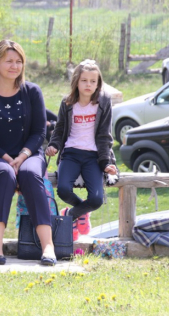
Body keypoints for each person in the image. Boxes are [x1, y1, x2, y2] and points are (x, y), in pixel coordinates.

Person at [0, 39, 56, 266]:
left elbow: (39, 131)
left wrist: (23, 155)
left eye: (19, 61)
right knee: (5, 173)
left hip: (29, 155)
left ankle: (48, 246)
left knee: (29, 173)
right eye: (9, 61)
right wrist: (7, 158)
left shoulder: (32, 92)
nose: (14, 66)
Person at [46, 59, 117, 241]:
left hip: (93, 156)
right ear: (76, 81)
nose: (88, 85)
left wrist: (106, 163)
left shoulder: (103, 102)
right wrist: (54, 145)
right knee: (63, 190)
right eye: (84, 80)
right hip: (71, 153)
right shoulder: (68, 103)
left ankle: (70, 215)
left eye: (93, 81)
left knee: (96, 200)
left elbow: (104, 135)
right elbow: (60, 129)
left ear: (98, 83)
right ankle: (82, 213)